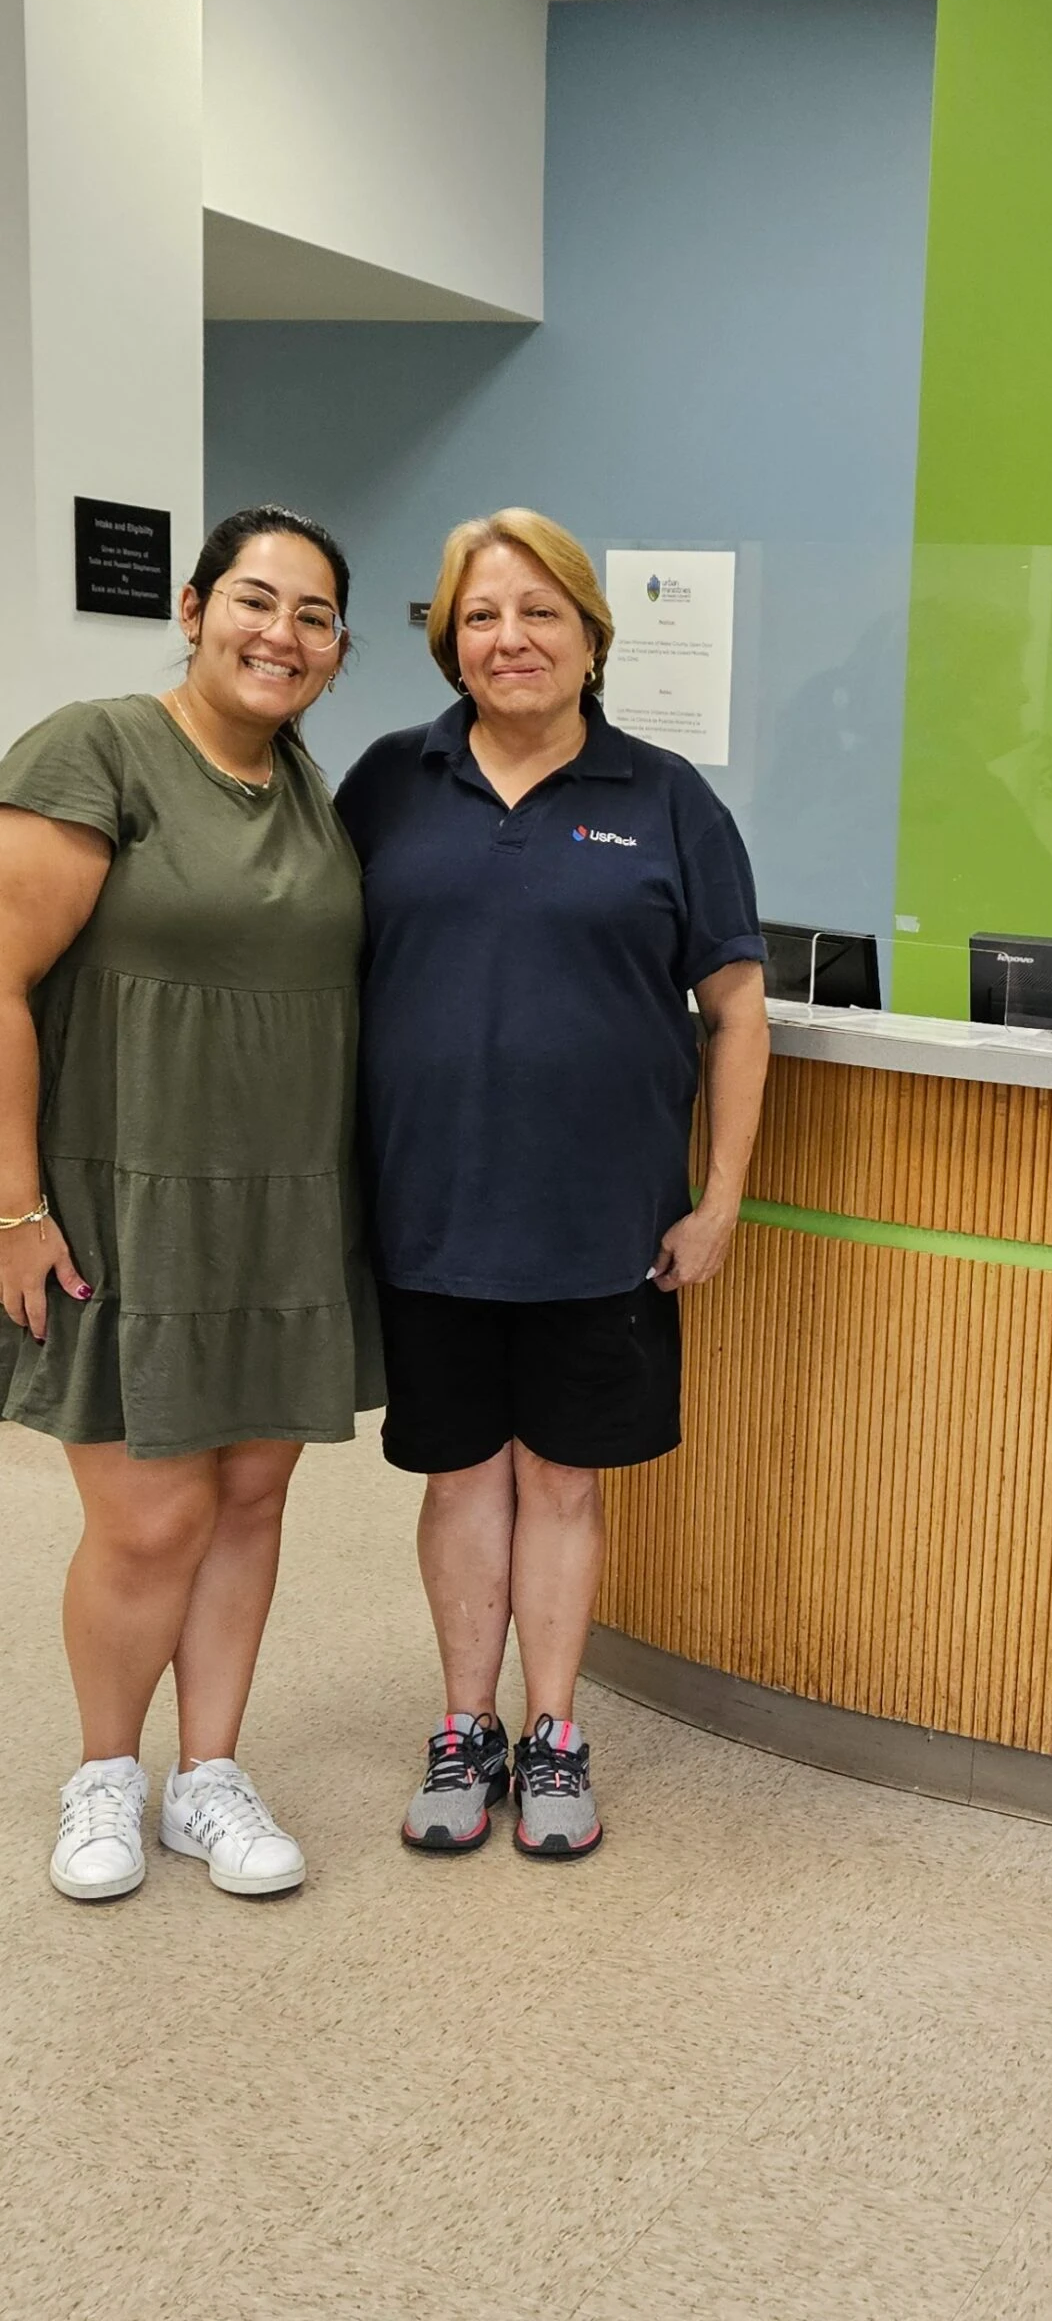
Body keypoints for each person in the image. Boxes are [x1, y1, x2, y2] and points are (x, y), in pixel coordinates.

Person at [336, 509, 768, 1862]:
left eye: (539, 614)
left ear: (591, 635)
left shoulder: (668, 800)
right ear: (448, 640)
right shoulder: (388, 784)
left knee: (564, 1484)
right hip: (432, 1212)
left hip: (604, 1222)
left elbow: (737, 1008)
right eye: (479, 615)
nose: (509, 638)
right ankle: (465, 1731)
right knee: (462, 1478)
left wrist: (721, 1193)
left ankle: (556, 1733)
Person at [0, 505, 379, 1903]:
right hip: (125, 1193)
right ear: (194, 604)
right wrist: (13, 1208)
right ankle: (106, 1773)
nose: (281, 633)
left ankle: (208, 1775)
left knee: (252, 1498)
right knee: (150, 1513)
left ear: (338, 653)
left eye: (314, 616)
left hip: (285, 1197)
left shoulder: (311, 789)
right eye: (257, 601)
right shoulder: (96, 749)